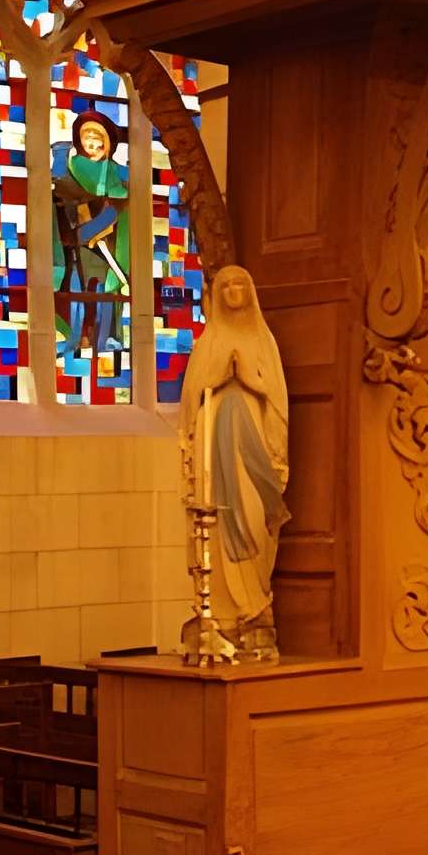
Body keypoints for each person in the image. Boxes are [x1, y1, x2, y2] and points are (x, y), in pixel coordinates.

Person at [179, 264, 289, 658]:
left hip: (254, 451)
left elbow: (277, 402)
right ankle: (223, 615)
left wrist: (251, 381)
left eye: (241, 283)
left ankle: (255, 606)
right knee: (219, 520)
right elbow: (192, 399)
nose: (233, 291)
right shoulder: (208, 342)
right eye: (225, 285)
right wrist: (219, 376)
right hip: (216, 447)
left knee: (256, 521)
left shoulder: (263, 341)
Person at [52, 108, 129, 362]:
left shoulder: (118, 174)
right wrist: (84, 230)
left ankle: (106, 343)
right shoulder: (70, 167)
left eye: (99, 138)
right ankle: (73, 339)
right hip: (77, 246)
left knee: (107, 296)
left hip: (110, 246)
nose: (93, 142)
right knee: (77, 291)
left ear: (108, 145)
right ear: (79, 141)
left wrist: (106, 220)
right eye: (87, 137)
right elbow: (63, 197)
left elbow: (119, 205)